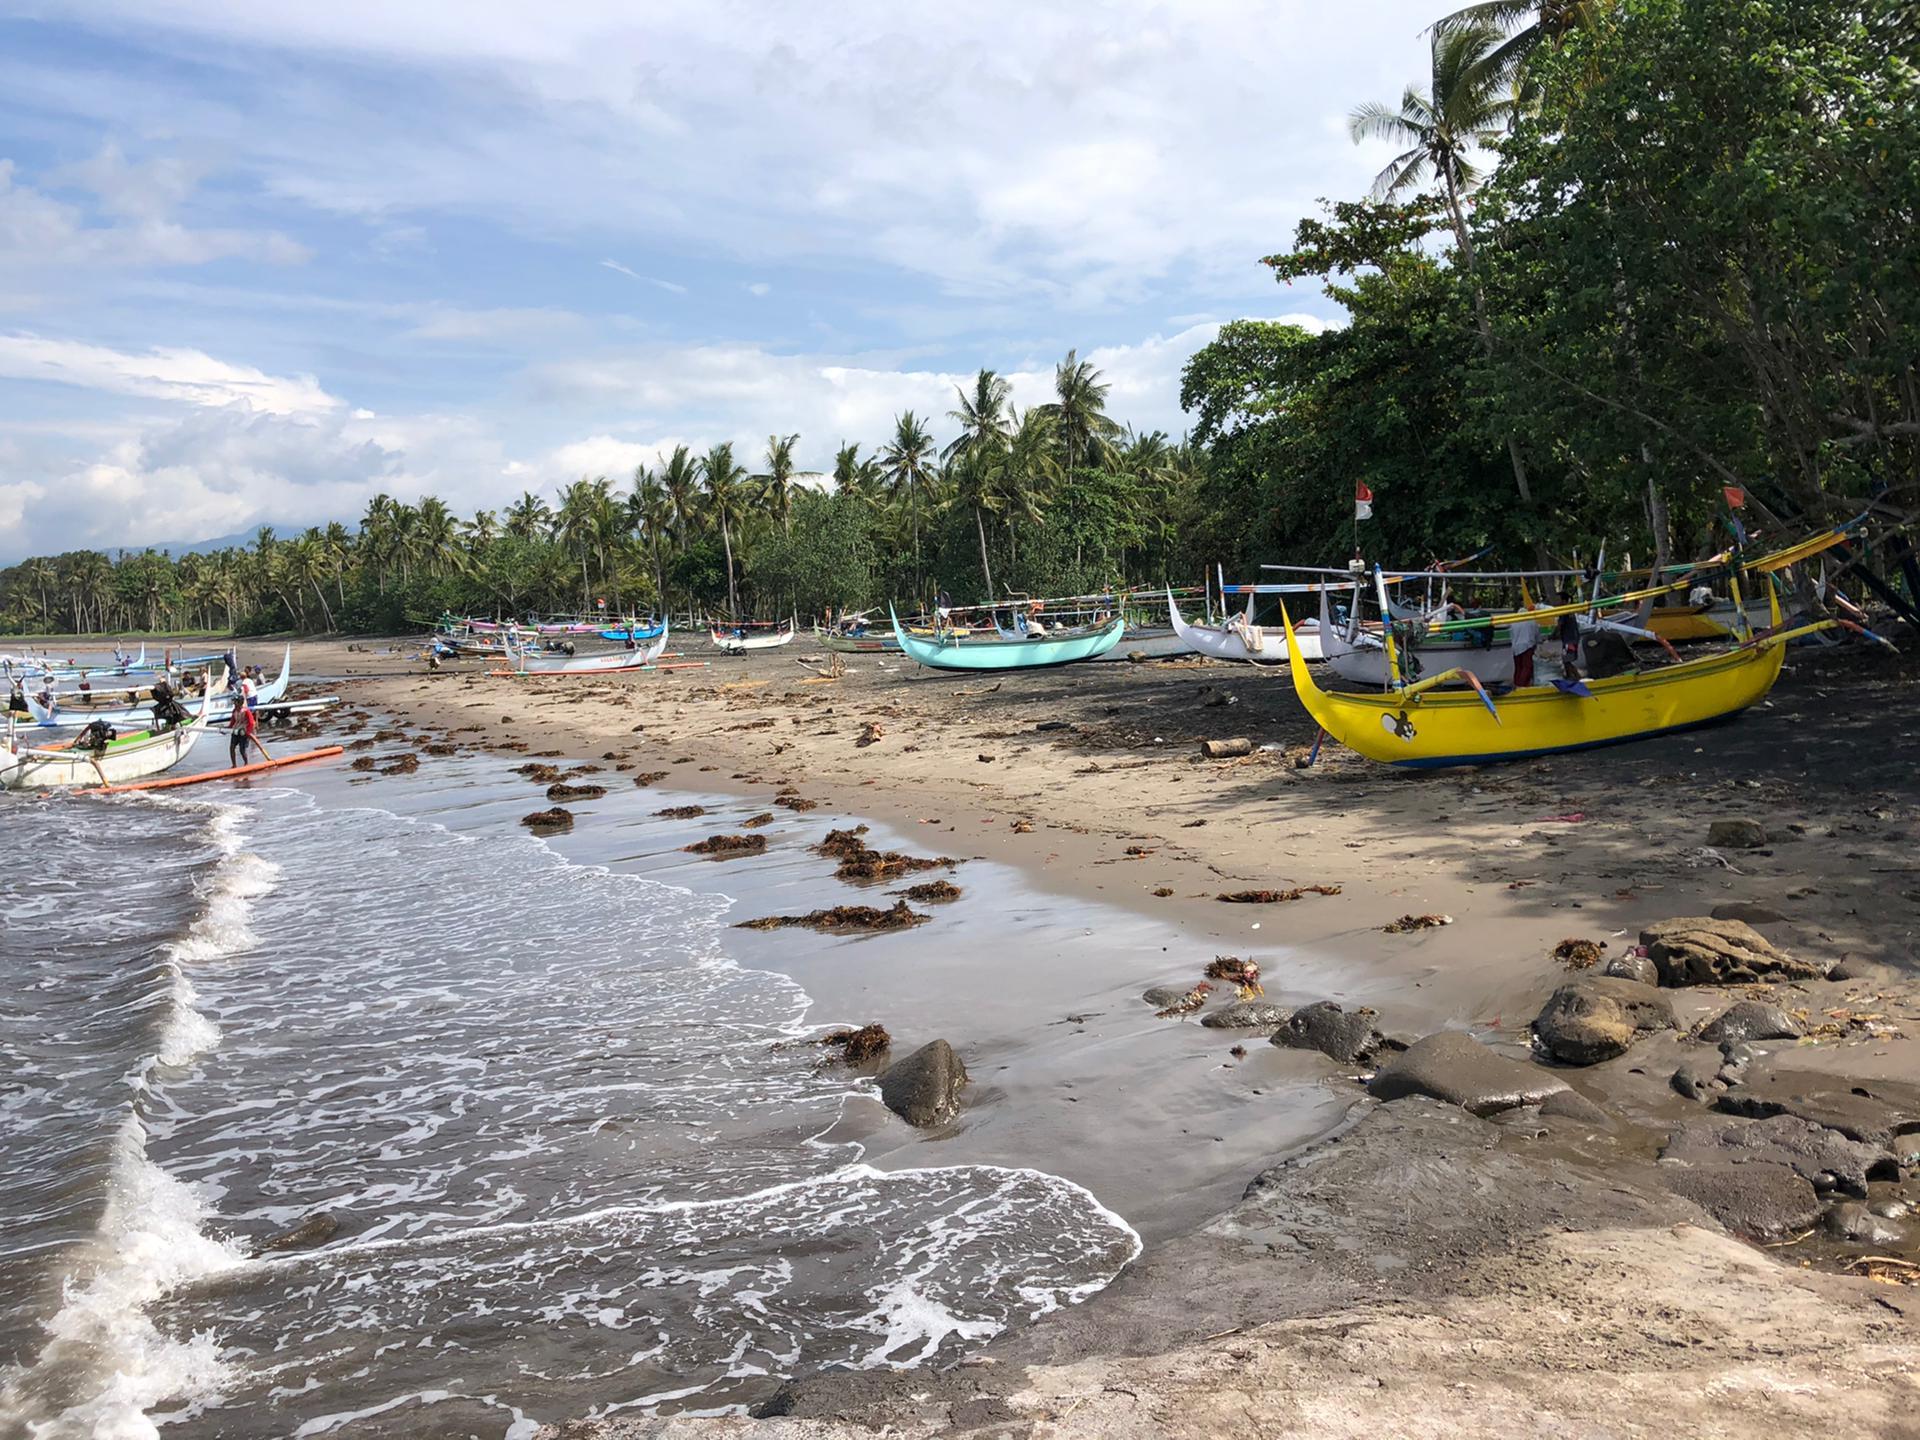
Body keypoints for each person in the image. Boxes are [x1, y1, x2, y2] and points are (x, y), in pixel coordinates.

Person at [227, 698, 258, 767]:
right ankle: (234, 765)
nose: (234, 704)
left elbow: (251, 723)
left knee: (242, 750)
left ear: (239, 703)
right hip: (236, 731)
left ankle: (246, 763)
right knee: (232, 747)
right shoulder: (234, 711)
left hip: (243, 732)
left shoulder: (246, 711)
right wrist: (227, 729)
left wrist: (248, 732)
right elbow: (232, 722)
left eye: (235, 702)